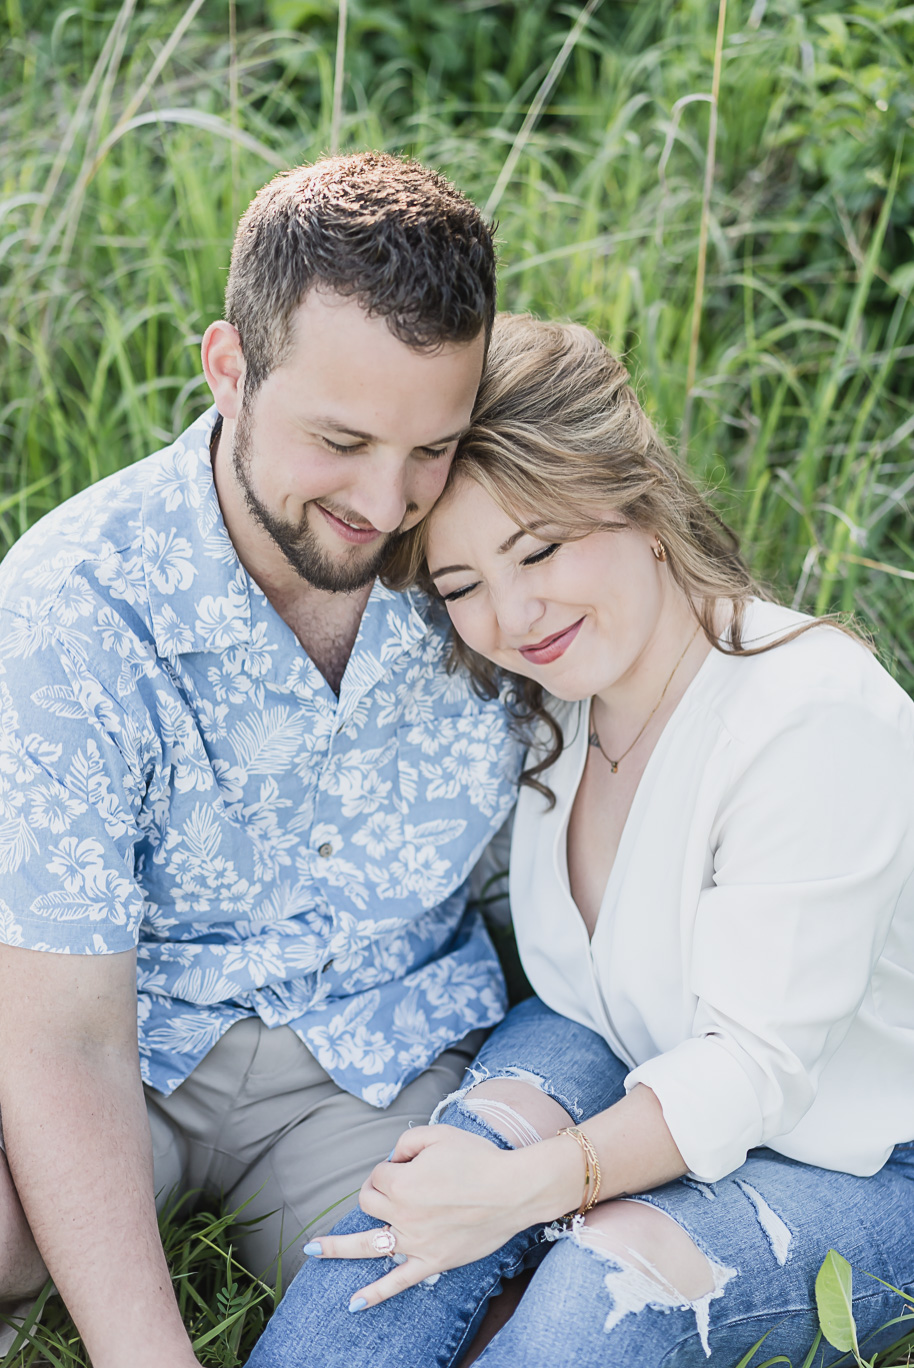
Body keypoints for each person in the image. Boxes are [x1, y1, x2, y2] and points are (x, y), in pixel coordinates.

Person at [247, 313, 914, 1368]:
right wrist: (488, 1173)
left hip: (852, 1152)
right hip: (609, 1039)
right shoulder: (556, 701)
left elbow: (751, 1069)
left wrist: (525, 1191)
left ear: (638, 501)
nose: (513, 616)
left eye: (539, 548)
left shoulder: (810, 716)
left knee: (586, 1309)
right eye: (460, 586)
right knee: (398, 1236)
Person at [0, 154, 527, 1367]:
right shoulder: (73, 609)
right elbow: (64, 1040)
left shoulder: (493, 558)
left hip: (376, 1056)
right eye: (339, 439)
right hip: (119, 1041)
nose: (385, 502)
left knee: (482, 1325)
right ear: (229, 369)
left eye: (430, 448)